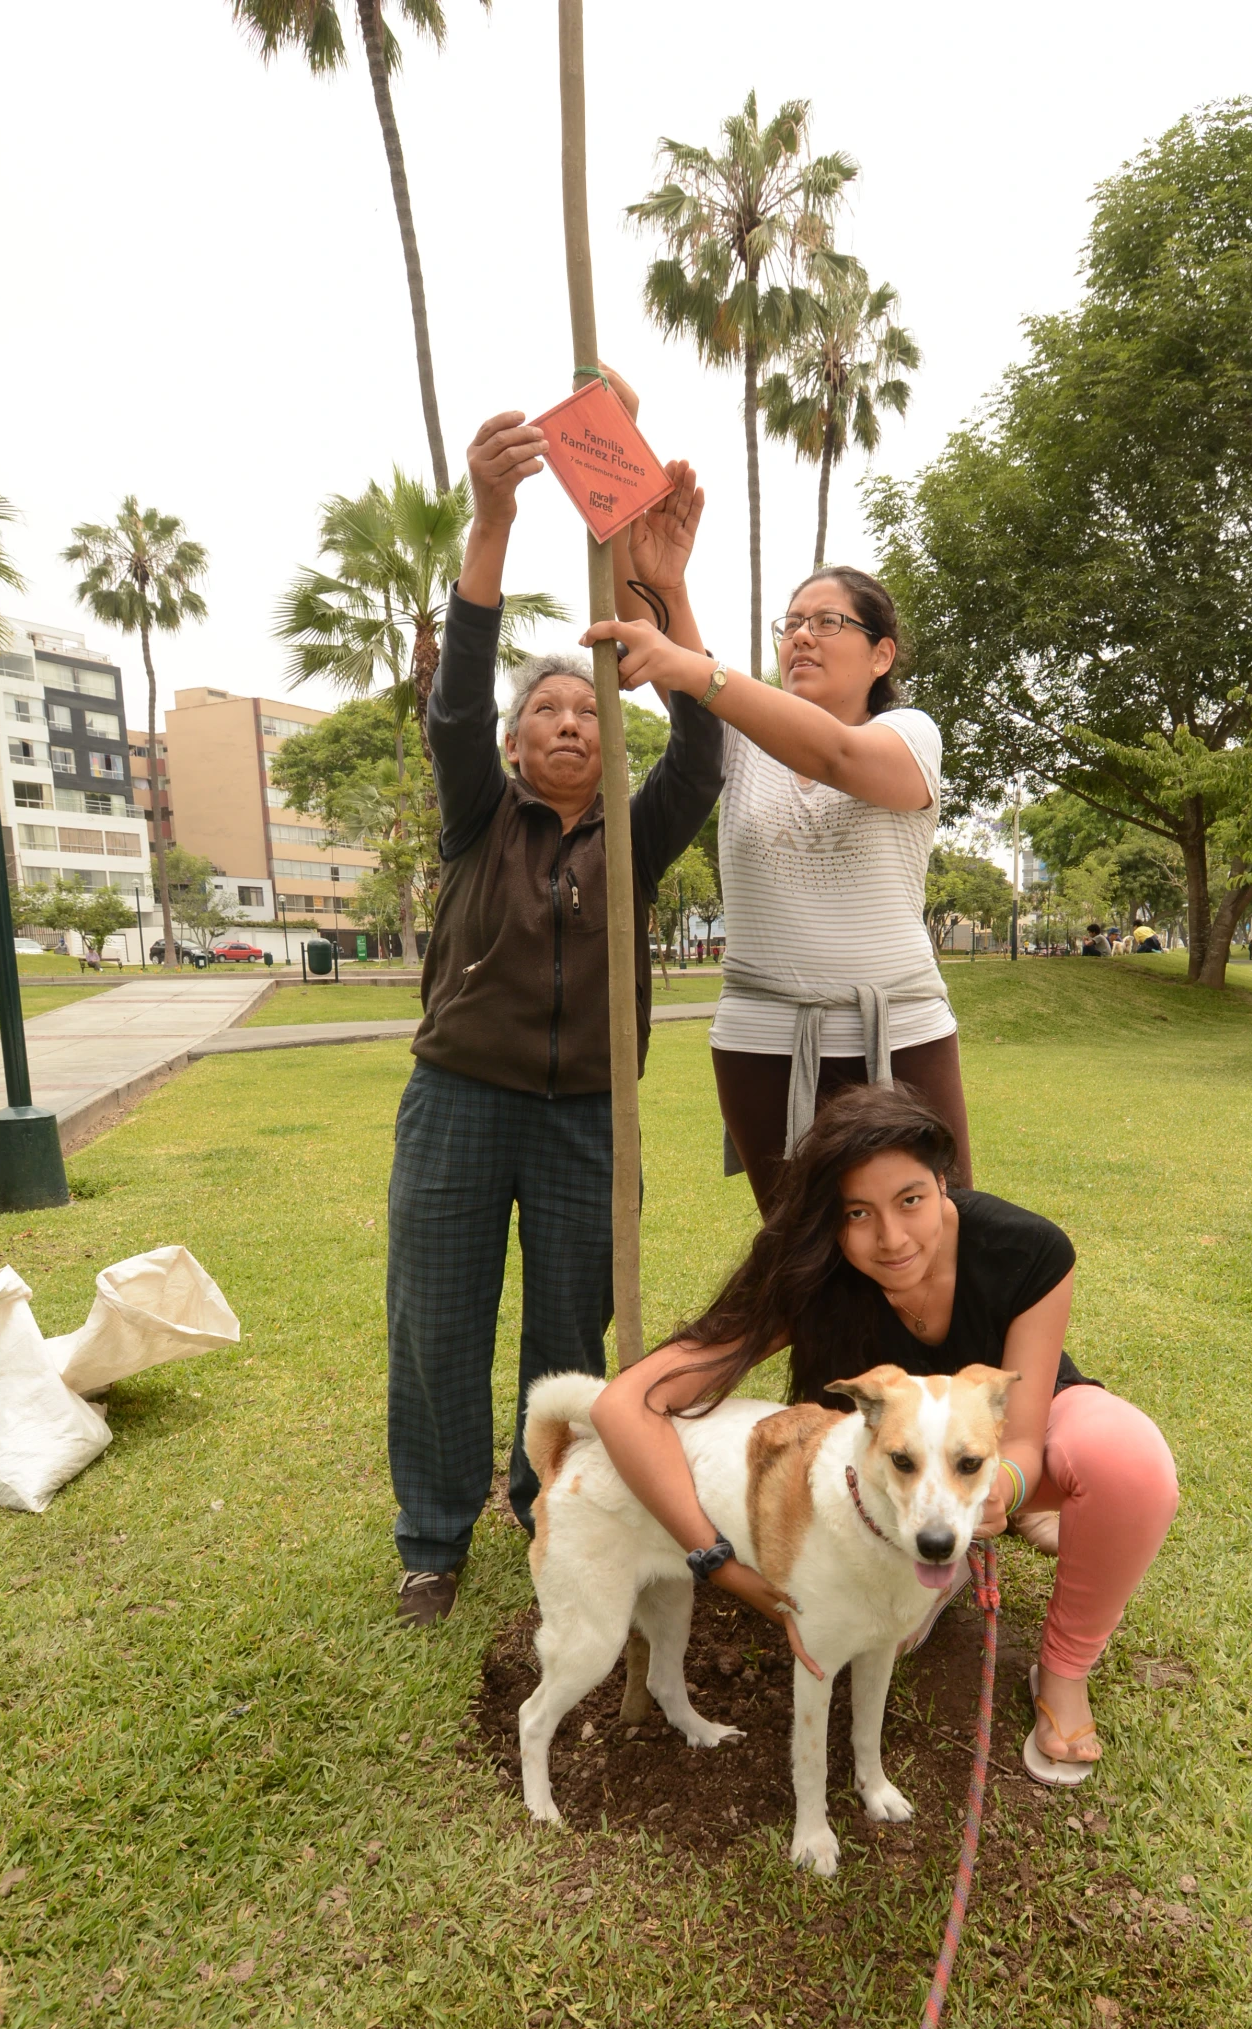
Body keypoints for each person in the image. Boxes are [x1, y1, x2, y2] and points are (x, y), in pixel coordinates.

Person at [385, 405, 727, 1625]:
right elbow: (453, 692)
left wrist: (666, 607)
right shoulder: (479, 812)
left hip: (594, 1115)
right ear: (515, 745)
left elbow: (704, 751)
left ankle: (551, 1522)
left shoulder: (640, 835)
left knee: (568, 1340)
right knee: (435, 1322)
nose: (572, 721)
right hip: (460, 1101)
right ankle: (431, 1536)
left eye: (588, 710)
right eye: (547, 711)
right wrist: (492, 519)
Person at [591, 1085, 1178, 1781]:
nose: (891, 1239)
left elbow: (1019, 1440)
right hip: (879, 1488)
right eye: (857, 1214)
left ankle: (1064, 1669)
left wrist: (1004, 1490)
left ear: (943, 1182)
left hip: (1006, 1439)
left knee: (1130, 1461)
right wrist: (716, 1562)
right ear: (829, 1222)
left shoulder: (1027, 1249)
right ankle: (940, 1570)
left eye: (910, 1201)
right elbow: (623, 1406)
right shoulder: (810, 1272)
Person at [585, 564, 970, 1209]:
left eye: (827, 622)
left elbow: (836, 757)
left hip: (901, 1033)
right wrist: (661, 572)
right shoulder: (737, 739)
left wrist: (697, 672)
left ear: (882, 654)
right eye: (790, 625)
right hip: (760, 1042)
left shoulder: (910, 734)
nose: (801, 638)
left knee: (932, 1240)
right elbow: (656, 634)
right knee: (797, 1249)